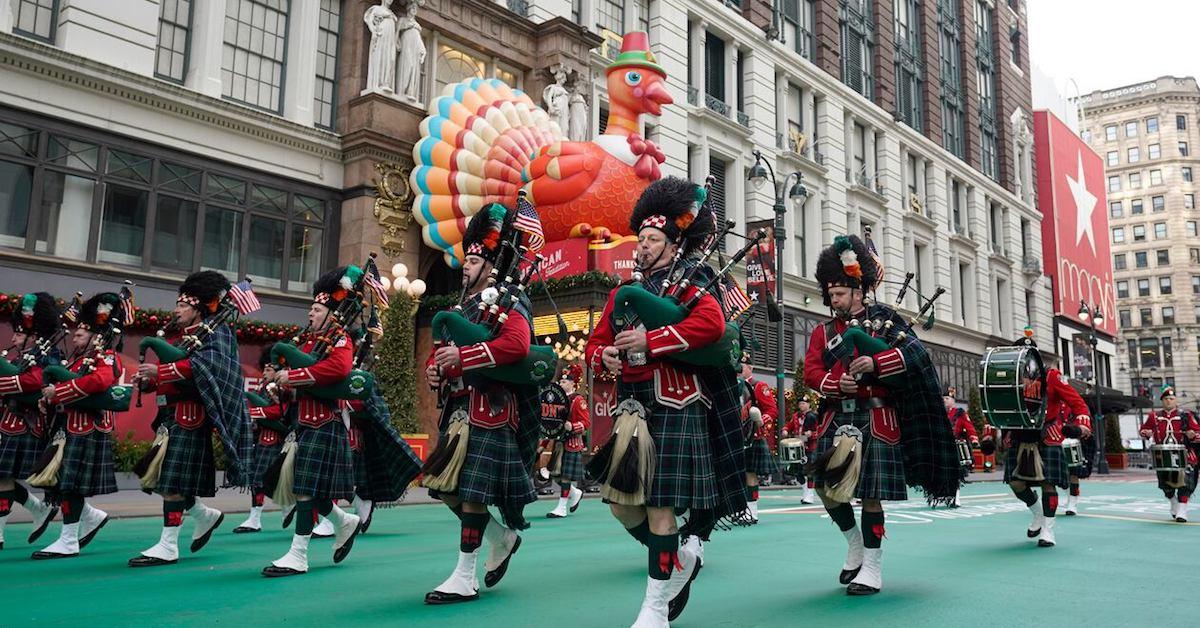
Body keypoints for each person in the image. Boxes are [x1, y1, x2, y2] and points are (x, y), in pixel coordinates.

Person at [585, 176, 747, 626]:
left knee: (659, 506)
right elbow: (595, 343)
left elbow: (711, 326)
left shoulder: (691, 278)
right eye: (641, 238)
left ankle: (654, 609)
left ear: (674, 244)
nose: (643, 246)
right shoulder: (622, 292)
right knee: (621, 504)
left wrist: (650, 342)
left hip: (676, 402)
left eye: (653, 239)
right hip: (632, 409)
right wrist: (607, 356)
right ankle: (678, 558)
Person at [802, 234, 958, 595]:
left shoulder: (886, 319)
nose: (833, 300)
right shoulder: (823, 332)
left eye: (839, 293)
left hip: (877, 418)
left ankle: (872, 567)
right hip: (837, 418)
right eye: (830, 294)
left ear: (858, 290)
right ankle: (855, 544)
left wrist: (875, 361)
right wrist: (833, 383)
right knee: (827, 490)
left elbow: (917, 357)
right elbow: (810, 371)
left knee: (871, 495)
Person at [422, 204, 539, 604]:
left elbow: (516, 345)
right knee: (446, 488)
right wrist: (434, 371)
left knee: (471, 492)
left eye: (473, 260)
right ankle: (501, 537)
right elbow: (442, 353)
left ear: (491, 264)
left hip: (490, 410)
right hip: (457, 410)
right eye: (466, 259)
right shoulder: (461, 308)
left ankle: (464, 575)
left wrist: (465, 359)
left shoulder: (509, 299)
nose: (466, 267)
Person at [129, 271, 253, 567]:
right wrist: (150, 382)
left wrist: (161, 372)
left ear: (199, 306)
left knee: (171, 484)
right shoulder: (188, 337)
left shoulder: (217, 332)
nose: (177, 310)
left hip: (191, 417)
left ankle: (168, 545)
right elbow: (178, 373)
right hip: (170, 416)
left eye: (183, 305)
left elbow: (209, 369)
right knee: (166, 480)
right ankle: (204, 515)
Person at [259, 267, 365, 576]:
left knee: (305, 490)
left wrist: (292, 375)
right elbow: (302, 378)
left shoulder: (341, 339)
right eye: (311, 308)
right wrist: (284, 385)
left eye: (317, 309)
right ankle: (345, 522)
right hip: (303, 423)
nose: (311, 313)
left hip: (324, 422)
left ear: (331, 314)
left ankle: (298, 554)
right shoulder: (307, 342)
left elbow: (337, 371)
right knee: (311, 489)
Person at [31, 292, 126, 559]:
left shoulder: (105, 356)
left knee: (69, 485)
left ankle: (68, 539)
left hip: (87, 426)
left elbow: (99, 382)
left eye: (81, 334)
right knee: (62, 482)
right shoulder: (77, 359)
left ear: (96, 335)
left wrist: (59, 393)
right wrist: (48, 397)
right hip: (68, 425)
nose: (75, 337)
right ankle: (90, 517)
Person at [999, 333, 1089, 548]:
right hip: (1019, 434)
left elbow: (1078, 403)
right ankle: (1038, 514)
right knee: (1015, 483)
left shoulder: (1052, 376)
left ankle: (1048, 529)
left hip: (1047, 435)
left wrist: (1082, 424)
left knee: (1048, 483)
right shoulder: (1009, 378)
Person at [0, 293, 60, 549]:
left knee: (2, 477)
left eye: (18, 333)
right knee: (3, 477)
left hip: (28, 422)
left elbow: (37, 380)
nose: (13, 338)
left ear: (33, 334)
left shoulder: (47, 354)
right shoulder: (20, 357)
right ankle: (38, 509)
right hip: (8, 421)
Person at [234, 344, 291, 533]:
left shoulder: (283, 389)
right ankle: (255, 518)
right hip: (262, 439)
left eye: (269, 369)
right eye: (264, 369)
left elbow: (279, 412)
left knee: (278, 480)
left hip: (280, 440)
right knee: (258, 480)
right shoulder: (263, 388)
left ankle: (287, 509)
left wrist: (255, 413)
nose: (265, 373)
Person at [1139, 386, 1199, 522]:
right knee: (1165, 483)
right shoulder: (1154, 416)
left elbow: (1198, 432)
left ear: (1176, 400)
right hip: (1163, 454)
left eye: (1171, 398)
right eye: (1166, 399)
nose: (1168, 401)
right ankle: (1173, 501)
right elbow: (1143, 430)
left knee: (1186, 482)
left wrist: (1192, 435)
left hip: (1184, 453)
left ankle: (1182, 510)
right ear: (1162, 401)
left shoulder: (1186, 415)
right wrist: (1146, 433)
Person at [739, 353, 779, 524]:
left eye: (742, 366)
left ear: (750, 368)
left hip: (752, 435)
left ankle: (752, 511)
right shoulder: (731, 387)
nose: (739, 370)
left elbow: (772, 410)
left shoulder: (758, 386)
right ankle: (741, 509)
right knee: (738, 475)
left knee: (750, 474)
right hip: (735, 437)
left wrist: (761, 420)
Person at [546, 363, 589, 519]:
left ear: (572, 383)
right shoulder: (557, 400)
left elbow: (586, 423)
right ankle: (575, 492)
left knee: (564, 477)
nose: (561, 384)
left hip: (571, 443)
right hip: (558, 443)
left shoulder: (578, 400)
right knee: (553, 475)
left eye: (564, 381)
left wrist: (573, 426)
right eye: (560, 381)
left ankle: (562, 507)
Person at [943, 387, 978, 507]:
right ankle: (946, 496)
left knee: (956, 474)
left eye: (947, 398)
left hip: (956, 446)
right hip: (943, 447)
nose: (945, 401)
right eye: (943, 398)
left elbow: (969, 426)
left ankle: (956, 497)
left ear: (953, 400)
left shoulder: (960, 412)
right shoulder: (939, 414)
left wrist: (973, 438)